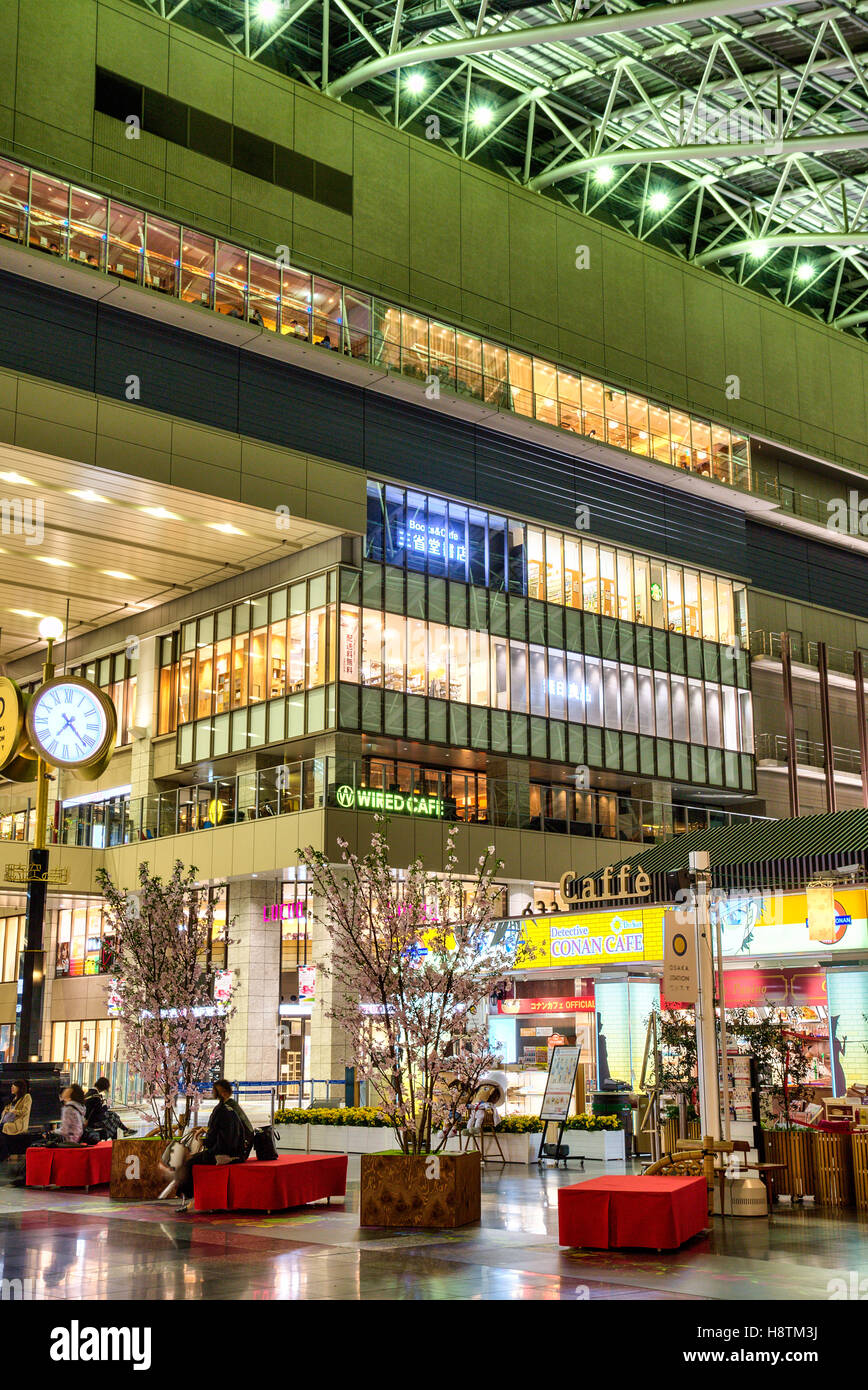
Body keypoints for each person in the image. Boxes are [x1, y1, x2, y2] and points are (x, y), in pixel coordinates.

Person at [170, 1080, 249, 1212]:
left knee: (190, 1164)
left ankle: (188, 1197)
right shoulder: (233, 1108)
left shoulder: (220, 1110)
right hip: (237, 1152)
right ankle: (193, 1199)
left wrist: (203, 1142)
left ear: (220, 1093)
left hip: (223, 1154)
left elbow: (213, 1138)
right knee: (196, 1159)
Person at [0, 1080, 32, 1162]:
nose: (12, 1088)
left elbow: (25, 1111)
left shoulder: (27, 1097)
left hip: (18, 1123)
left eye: (14, 1086)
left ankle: (4, 1154)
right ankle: (4, 1153)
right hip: (9, 1121)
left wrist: (13, 1111)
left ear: (19, 1088)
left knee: (3, 1128)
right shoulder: (13, 1097)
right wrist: (6, 1111)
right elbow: (6, 1109)